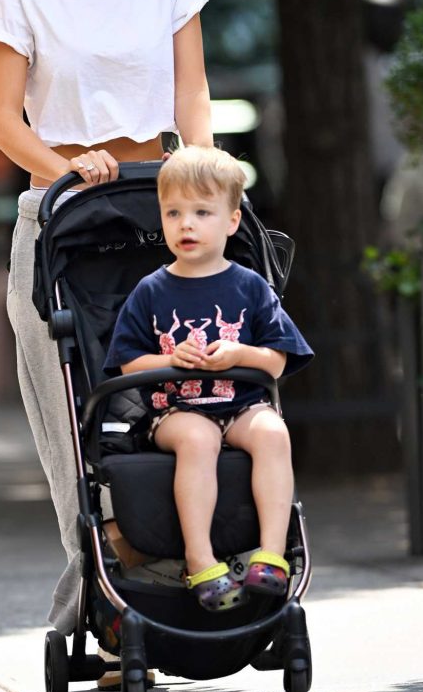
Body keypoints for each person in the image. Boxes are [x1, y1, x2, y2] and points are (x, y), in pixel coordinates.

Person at [0, 0, 213, 640]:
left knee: (183, 391)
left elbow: (191, 92)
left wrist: (205, 176)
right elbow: (5, 122)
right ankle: (113, 599)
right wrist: (63, 169)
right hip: (64, 215)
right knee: (74, 421)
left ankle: (194, 572)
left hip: (159, 210)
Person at [104, 147, 314, 612]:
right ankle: (200, 561)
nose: (186, 225)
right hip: (175, 410)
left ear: (232, 221)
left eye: (202, 212)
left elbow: (277, 362)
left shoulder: (249, 286)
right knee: (198, 440)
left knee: (274, 432)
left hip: (240, 404)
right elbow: (125, 364)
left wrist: (240, 353)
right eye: (173, 213)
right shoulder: (151, 290)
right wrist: (168, 358)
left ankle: (272, 555)